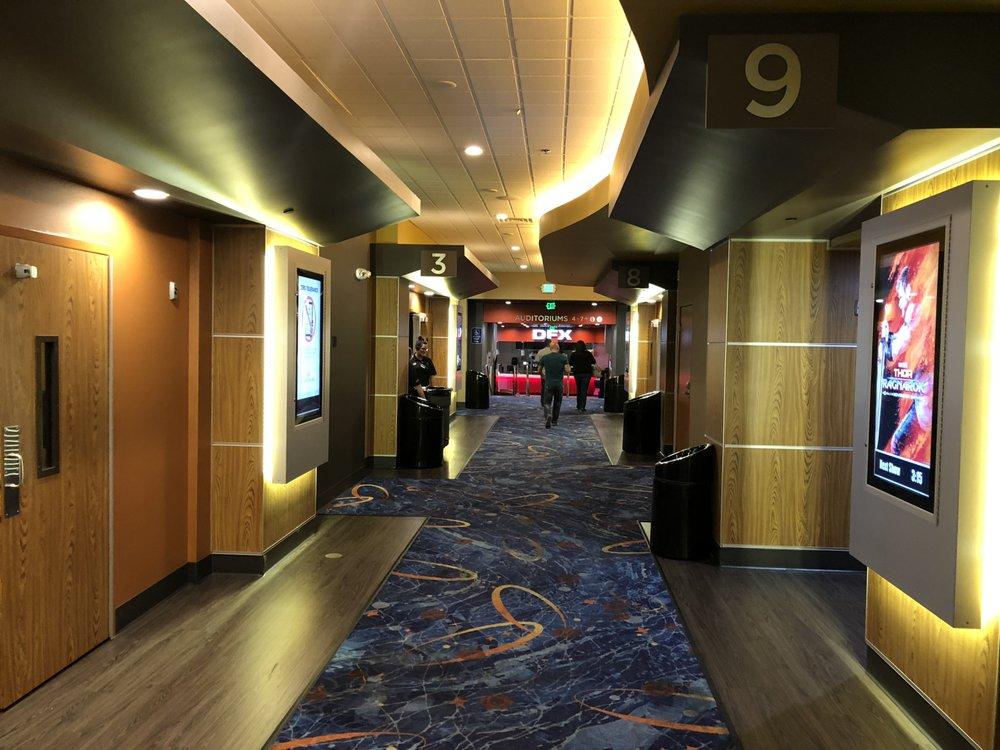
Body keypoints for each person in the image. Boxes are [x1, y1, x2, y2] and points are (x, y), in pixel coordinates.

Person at [537, 339, 569, 429]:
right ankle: (554, 421)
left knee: (547, 402)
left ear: (550, 348)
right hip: (559, 384)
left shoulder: (545, 358)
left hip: (548, 383)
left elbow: (539, 370)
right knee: (557, 402)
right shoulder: (563, 358)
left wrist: (544, 375)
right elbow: (568, 370)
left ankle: (548, 415)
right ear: (558, 348)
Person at [568, 340, 597, 412]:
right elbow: (593, 362)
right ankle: (582, 407)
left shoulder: (574, 354)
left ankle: (578, 405)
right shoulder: (588, 354)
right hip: (587, 373)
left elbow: (570, 363)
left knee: (579, 389)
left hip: (577, 373)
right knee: (584, 390)